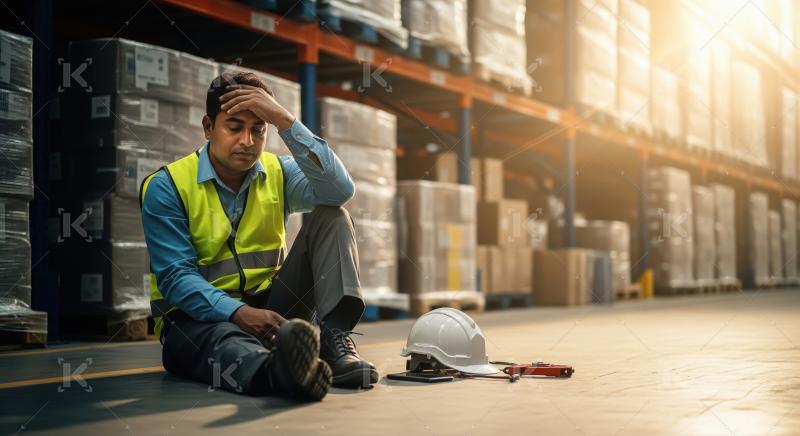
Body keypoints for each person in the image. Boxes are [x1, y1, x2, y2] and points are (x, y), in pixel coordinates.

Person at [139, 71, 377, 400]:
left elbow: (339, 190)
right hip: (197, 320)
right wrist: (238, 313)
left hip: (274, 312)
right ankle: (277, 371)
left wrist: (284, 119)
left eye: (258, 129)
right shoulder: (167, 186)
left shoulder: (279, 172)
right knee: (222, 341)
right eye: (234, 127)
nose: (247, 141)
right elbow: (176, 279)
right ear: (208, 127)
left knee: (332, 215)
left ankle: (333, 343)